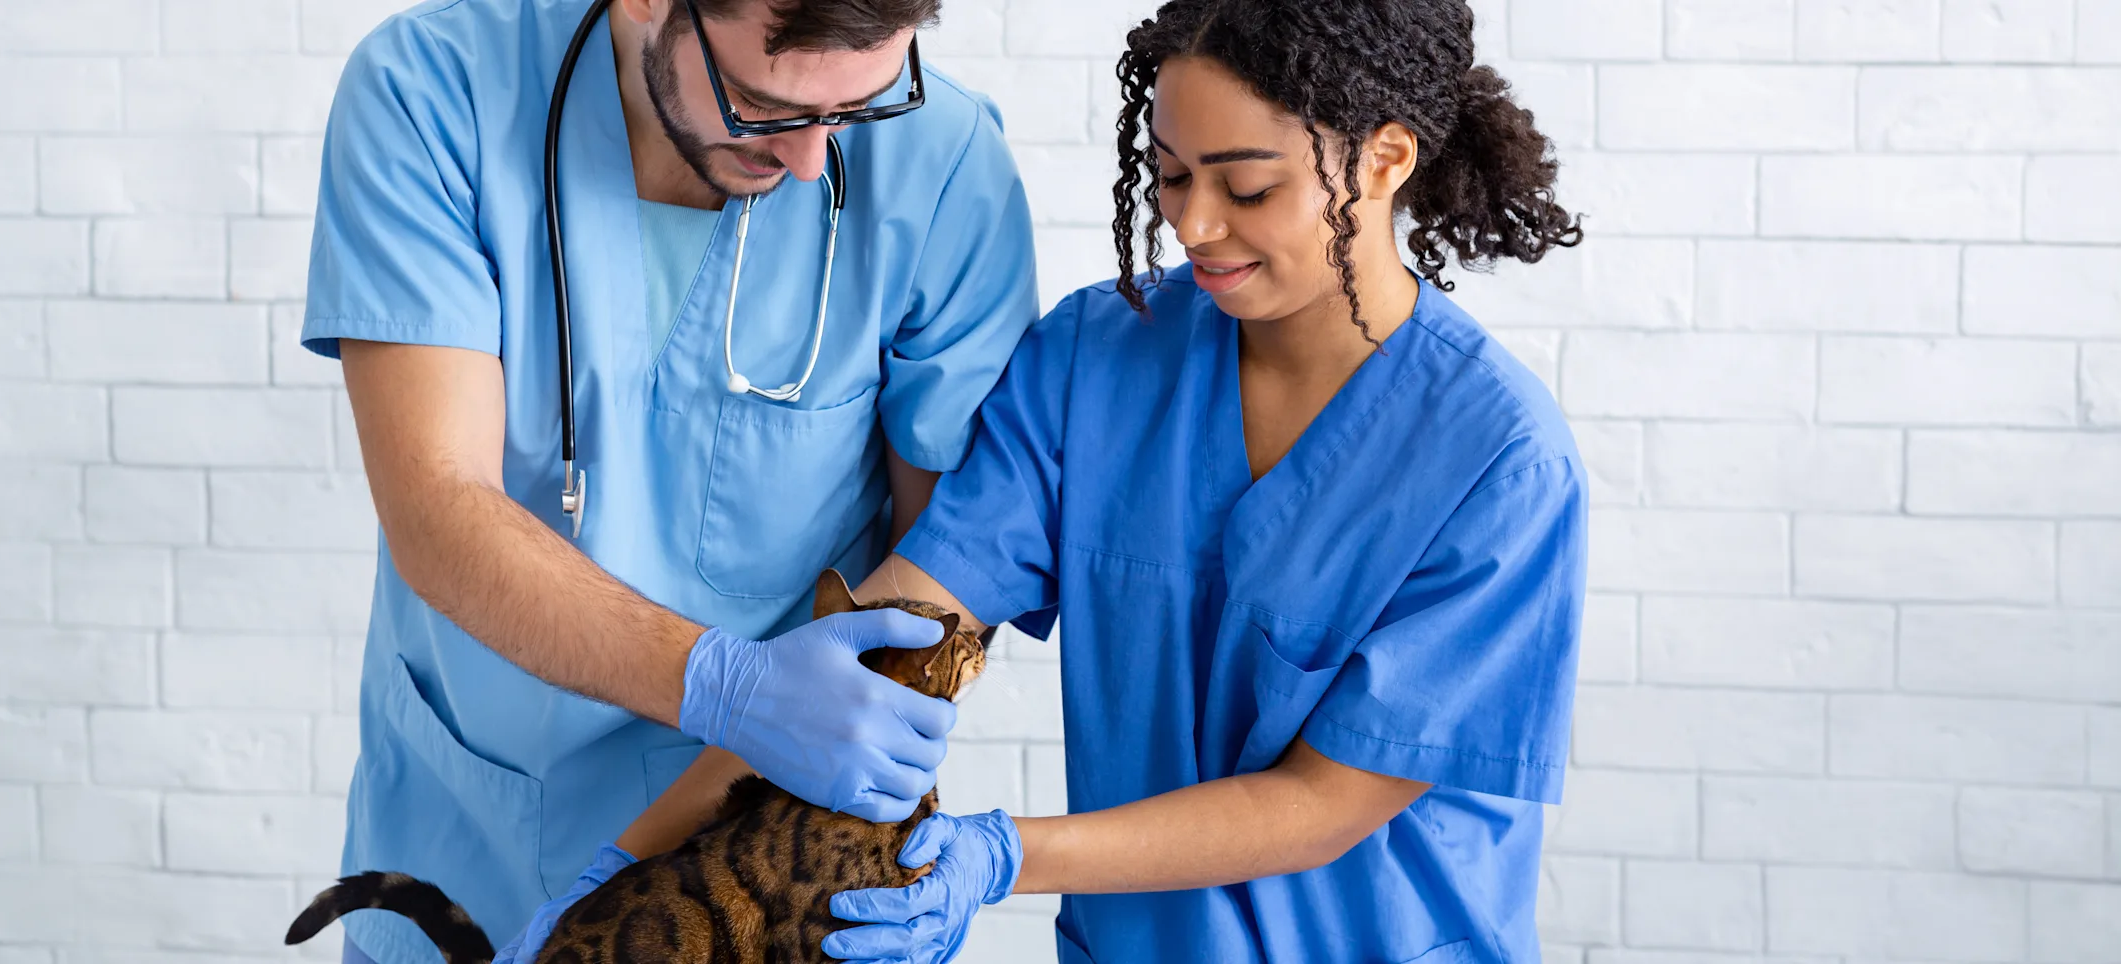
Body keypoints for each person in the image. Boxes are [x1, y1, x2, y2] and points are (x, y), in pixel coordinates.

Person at [502, 0, 1587, 961]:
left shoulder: (1497, 462)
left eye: (1247, 187)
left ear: (1385, 159)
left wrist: (998, 856)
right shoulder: (1096, 362)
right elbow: (870, 658)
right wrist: (621, 864)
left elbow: (1326, 802)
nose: (1192, 226)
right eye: (1167, 174)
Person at [302, 0, 1038, 959]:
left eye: (854, 111)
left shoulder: (942, 167)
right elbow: (439, 506)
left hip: (758, 873)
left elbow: (946, 576)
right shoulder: (433, 94)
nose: (814, 159)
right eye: (764, 103)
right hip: (466, 825)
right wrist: (726, 685)